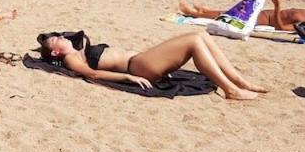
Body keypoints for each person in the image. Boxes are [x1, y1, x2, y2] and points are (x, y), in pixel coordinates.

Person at [37, 30, 266, 100]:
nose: (62, 37)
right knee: (194, 41)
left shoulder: (77, 48)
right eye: (57, 39)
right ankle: (230, 90)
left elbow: (73, 35)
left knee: (202, 35)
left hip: (142, 60)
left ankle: (238, 81)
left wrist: (62, 39)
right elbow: (92, 74)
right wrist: (128, 78)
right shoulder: (71, 59)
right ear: (56, 51)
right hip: (138, 67)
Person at [179, 0, 305, 33]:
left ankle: (195, 14)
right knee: (231, 11)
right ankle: (204, 11)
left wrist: (277, 6)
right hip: (262, 13)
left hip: (261, 20)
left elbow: (280, 27)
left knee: (229, 15)